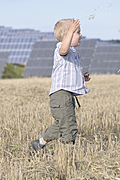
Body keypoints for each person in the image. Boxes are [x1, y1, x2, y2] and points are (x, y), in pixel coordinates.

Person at [31, 18, 91, 152]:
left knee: (62, 125)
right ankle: (68, 154)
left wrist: (82, 77)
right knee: (69, 126)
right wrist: (70, 32)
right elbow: (64, 50)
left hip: (67, 95)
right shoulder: (62, 48)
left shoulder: (74, 53)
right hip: (61, 96)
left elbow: (70, 71)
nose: (80, 35)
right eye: (77, 32)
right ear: (67, 36)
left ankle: (39, 143)